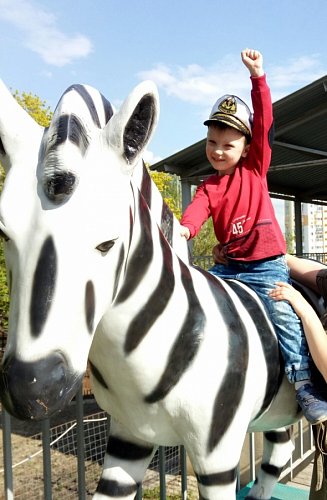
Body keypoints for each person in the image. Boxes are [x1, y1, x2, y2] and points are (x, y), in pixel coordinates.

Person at [180, 48, 327, 424]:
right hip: (231, 267)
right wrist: (184, 228)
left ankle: (303, 383)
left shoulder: (255, 169)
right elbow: (196, 212)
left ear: (246, 147)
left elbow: (262, 122)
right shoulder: (209, 186)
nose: (218, 150)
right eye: (212, 143)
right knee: (199, 301)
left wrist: (258, 77)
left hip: (264, 267)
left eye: (228, 144)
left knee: (283, 313)